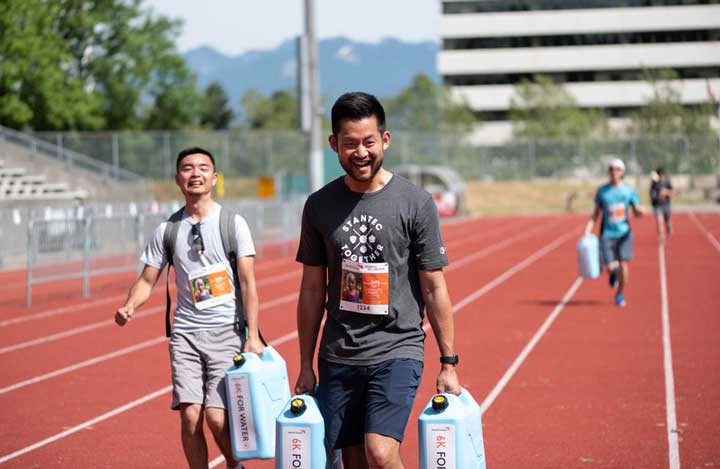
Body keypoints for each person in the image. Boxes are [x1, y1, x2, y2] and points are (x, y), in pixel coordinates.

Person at [294, 92, 461, 469]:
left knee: (380, 453)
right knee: (352, 462)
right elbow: (311, 291)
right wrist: (306, 363)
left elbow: (434, 286)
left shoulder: (415, 203)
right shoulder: (318, 206)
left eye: (369, 142)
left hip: (397, 348)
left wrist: (448, 362)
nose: (361, 152)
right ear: (334, 144)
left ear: (385, 140)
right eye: (350, 143)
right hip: (339, 353)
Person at [114, 147, 264, 469]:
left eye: (202, 167)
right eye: (187, 168)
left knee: (216, 417)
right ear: (177, 179)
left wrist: (252, 335)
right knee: (190, 416)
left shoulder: (232, 223)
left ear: (214, 177)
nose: (195, 173)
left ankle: (234, 465)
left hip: (227, 331)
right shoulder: (167, 230)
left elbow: (249, 283)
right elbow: (147, 279)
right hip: (185, 334)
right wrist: (130, 305)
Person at [585, 158, 645, 307]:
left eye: (617, 169)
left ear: (623, 172)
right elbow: (595, 214)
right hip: (607, 235)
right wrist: (587, 231)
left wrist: (639, 211)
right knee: (611, 266)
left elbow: (637, 210)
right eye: (611, 169)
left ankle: (619, 294)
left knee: (624, 265)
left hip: (624, 234)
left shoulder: (629, 191)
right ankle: (613, 272)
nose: (614, 172)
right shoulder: (602, 192)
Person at [650, 167, 673, 242]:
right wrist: (658, 196)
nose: (661, 176)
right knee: (659, 221)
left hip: (666, 205)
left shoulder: (667, 183)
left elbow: (672, 193)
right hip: (657, 206)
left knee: (667, 220)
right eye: (659, 175)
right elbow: (652, 196)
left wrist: (666, 192)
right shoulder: (654, 184)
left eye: (662, 174)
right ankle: (662, 236)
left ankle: (668, 225)